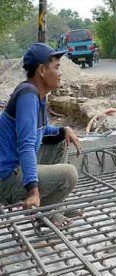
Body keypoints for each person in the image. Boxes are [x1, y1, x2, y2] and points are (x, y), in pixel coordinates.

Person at [0, 43, 82, 230]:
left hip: (15, 165)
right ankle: (45, 214)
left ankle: (52, 207)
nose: (60, 73)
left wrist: (63, 131)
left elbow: (39, 129)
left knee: (60, 142)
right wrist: (33, 190)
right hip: (5, 177)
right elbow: (26, 145)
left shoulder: (36, 94)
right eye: (57, 67)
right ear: (42, 70)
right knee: (69, 175)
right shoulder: (28, 95)